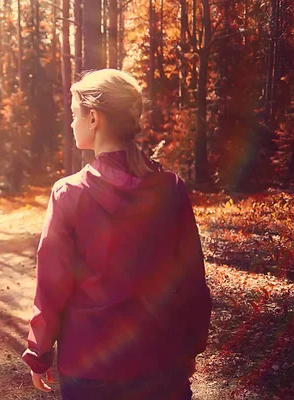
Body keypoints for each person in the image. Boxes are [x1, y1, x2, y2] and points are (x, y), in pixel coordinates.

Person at [22, 69, 212, 399]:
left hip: (89, 369)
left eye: (73, 115)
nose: (71, 124)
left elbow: (52, 287)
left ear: (93, 118)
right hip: (163, 365)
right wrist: (191, 347)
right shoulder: (170, 188)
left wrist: (39, 354)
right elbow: (192, 279)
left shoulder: (69, 194)